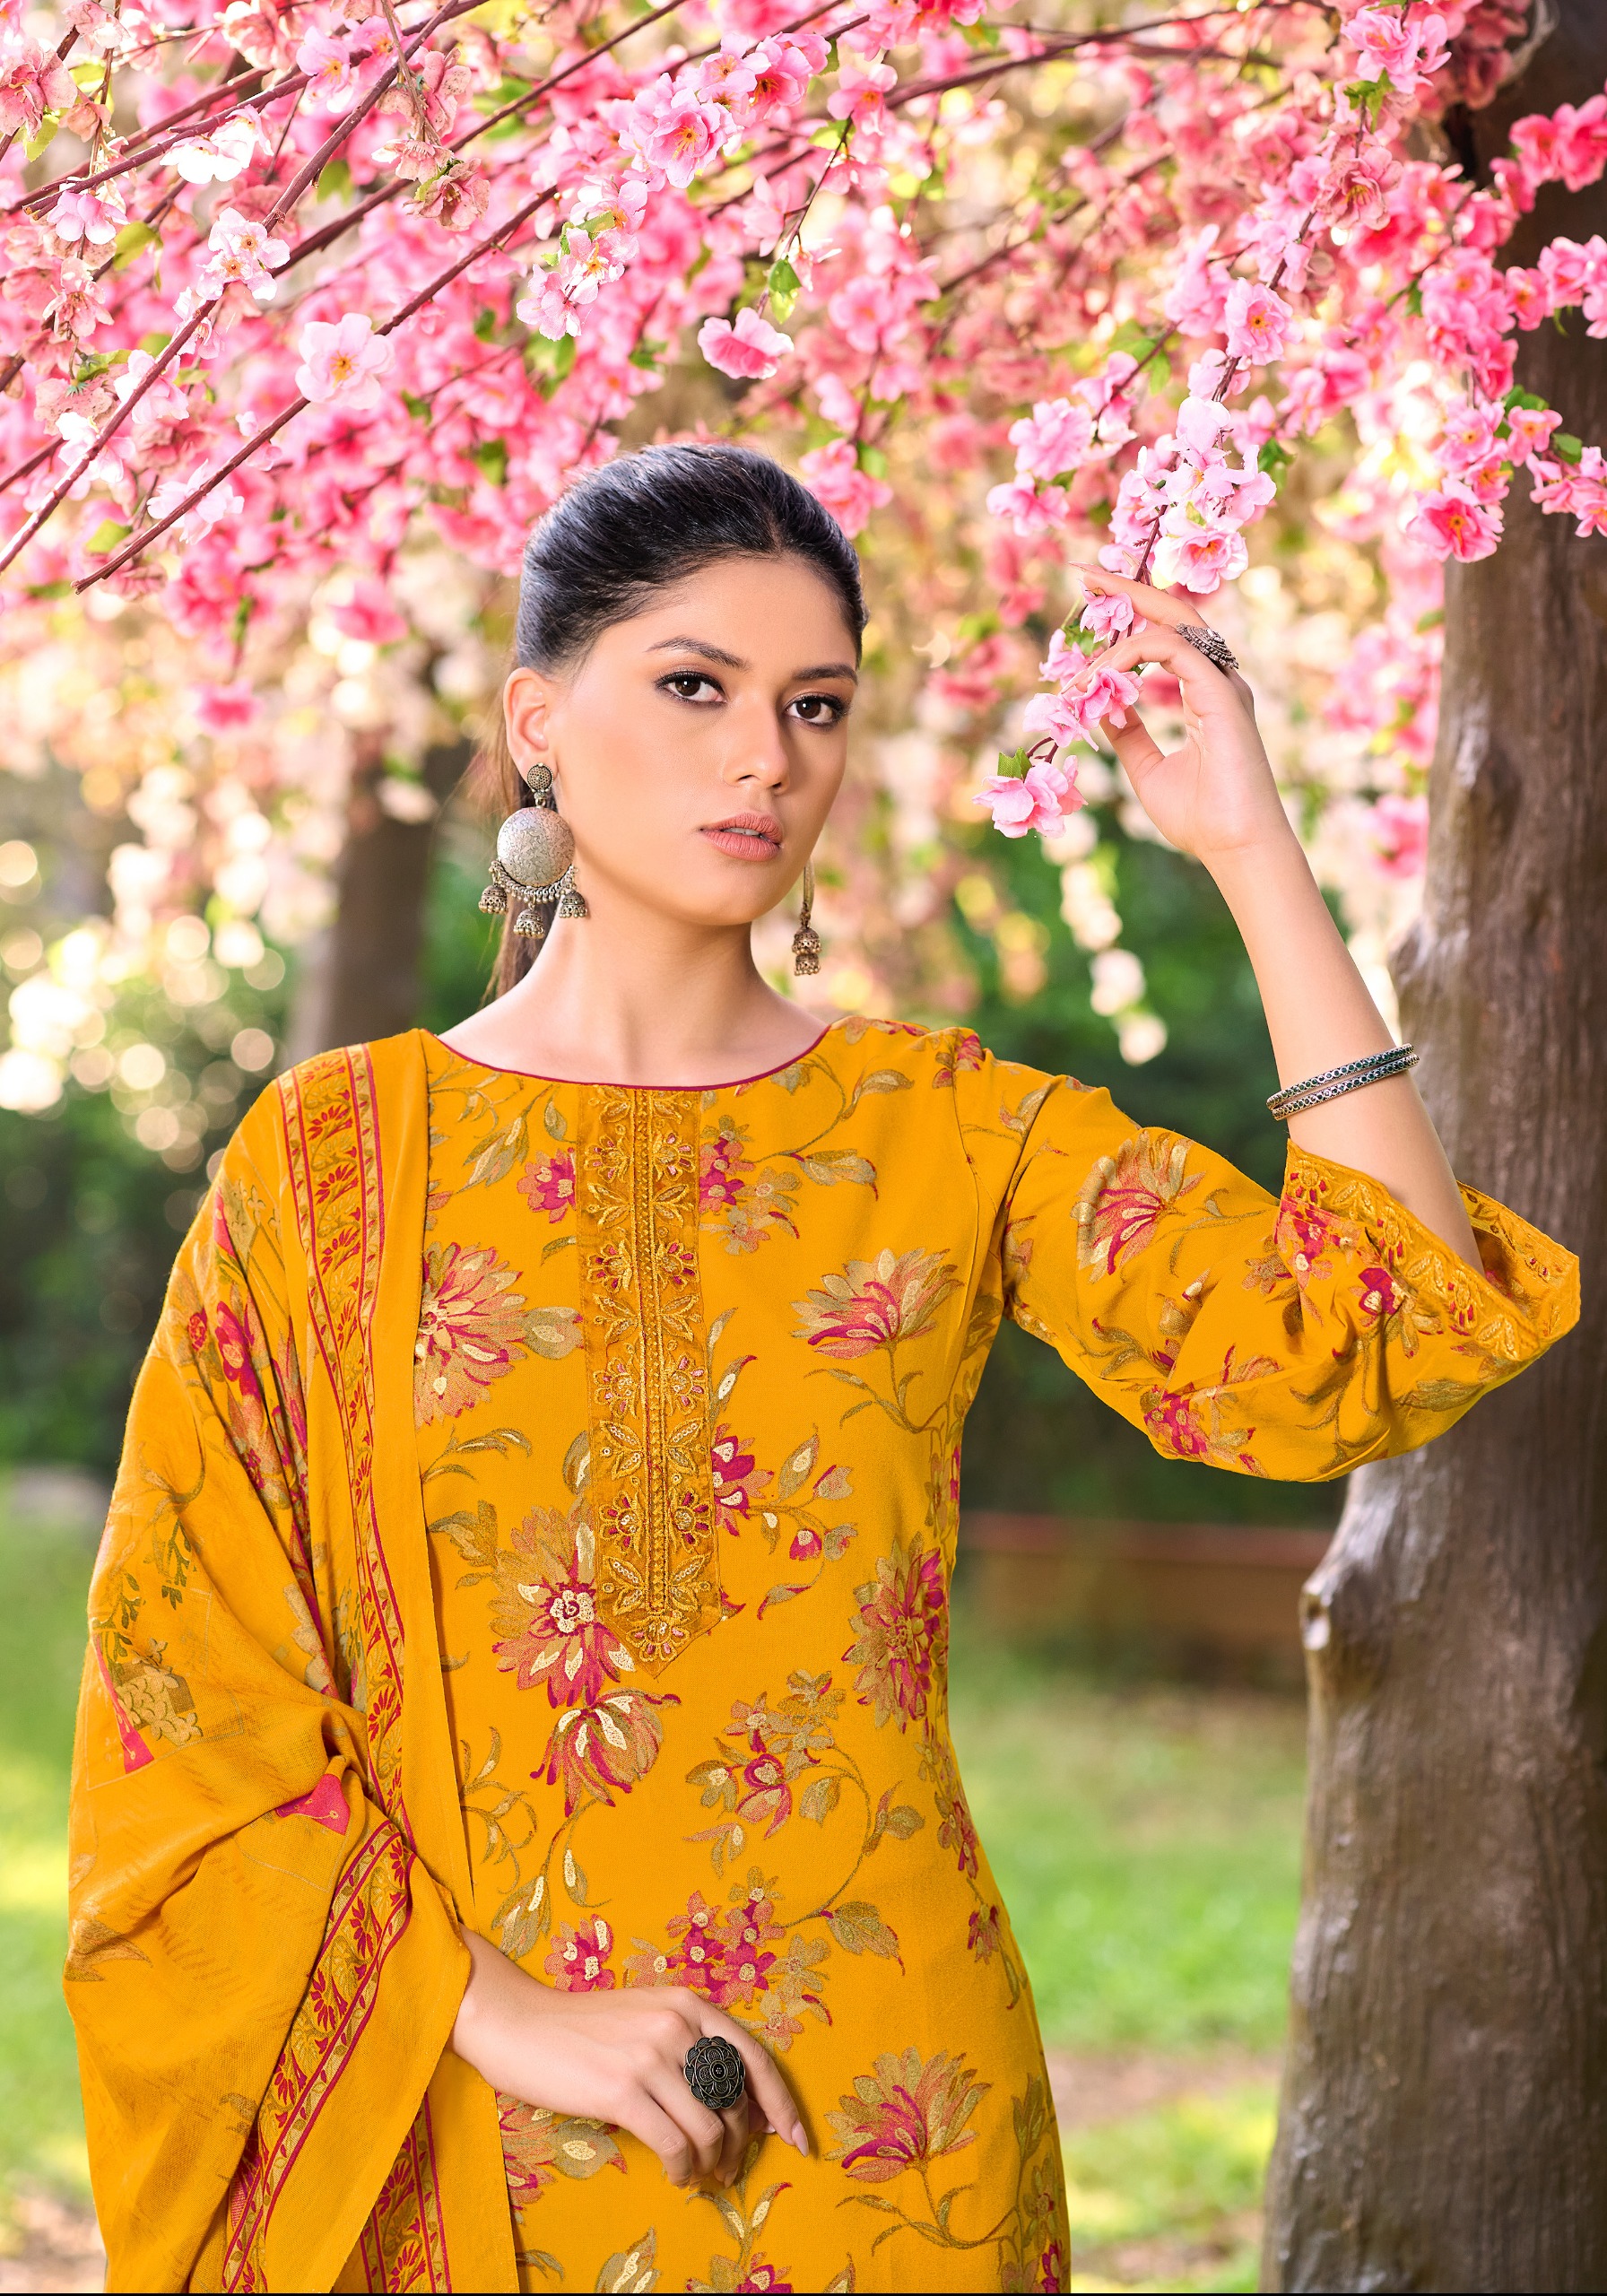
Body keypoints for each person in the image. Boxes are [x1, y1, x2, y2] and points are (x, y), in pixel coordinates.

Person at [65, 443, 1577, 2295]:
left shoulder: (944, 1130)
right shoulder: (331, 1160)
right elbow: (186, 1683)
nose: (763, 759)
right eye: (693, 686)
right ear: (537, 723)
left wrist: (1251, 855)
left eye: (814, 706)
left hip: (885, 2128)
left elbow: (1373, 1336)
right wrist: (492, 2006)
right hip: (460, 2117)